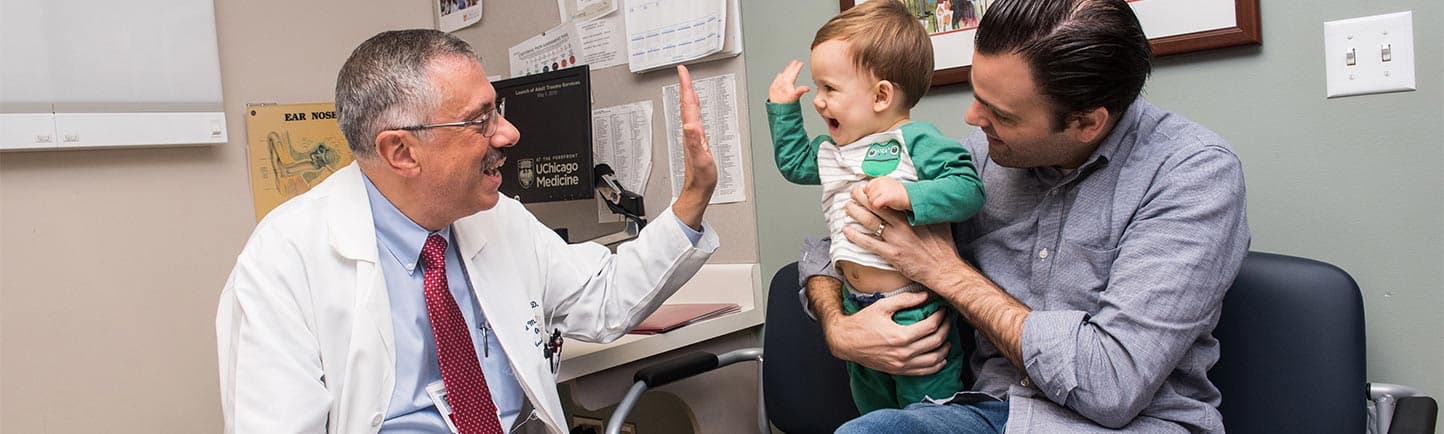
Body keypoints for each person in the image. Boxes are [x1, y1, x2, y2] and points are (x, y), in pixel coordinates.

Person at [216, 29, 720, 434]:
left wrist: (693, 196)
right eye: (480, 121)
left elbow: (605, 298)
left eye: (497, 109)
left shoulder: (494, 215)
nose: (508, 134)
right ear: (401, 152)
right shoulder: (284, 261)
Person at [799, 0, 1250, 431]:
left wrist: (946, 273)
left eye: (1000, 113)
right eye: (978, 95)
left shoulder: (1192, 174)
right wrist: (839, 327)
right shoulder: (978, 160)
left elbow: (1110, 385)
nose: (972, 118)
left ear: (1086, 123)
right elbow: (837, 240)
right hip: (985, 412)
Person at [767, 0, 985, 413]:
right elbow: (794, 164)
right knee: (874, 413)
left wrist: (909, 196)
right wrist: (782, 110)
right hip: (854, 309)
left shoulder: (916, 140)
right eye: (817, 88)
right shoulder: (833, 150)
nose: (818, 101)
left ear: (882, 95)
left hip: (913, 309)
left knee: (926, 415)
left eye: (830, 88)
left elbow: (968, 188)